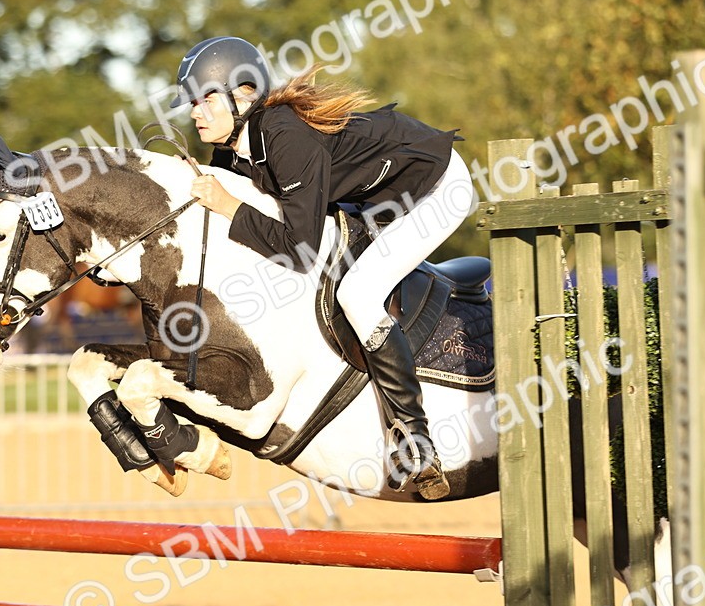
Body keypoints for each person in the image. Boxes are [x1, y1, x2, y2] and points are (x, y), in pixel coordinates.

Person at [169, 36, 476, 501]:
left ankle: (414, 438)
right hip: (375, 199)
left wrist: (229, 204)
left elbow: (299, 250)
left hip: (436, 188)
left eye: (206, 99)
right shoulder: (235, 148)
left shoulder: (284, 134)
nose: (195, 113)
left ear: (244, 95)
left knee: (358, 293)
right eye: (192, 103)